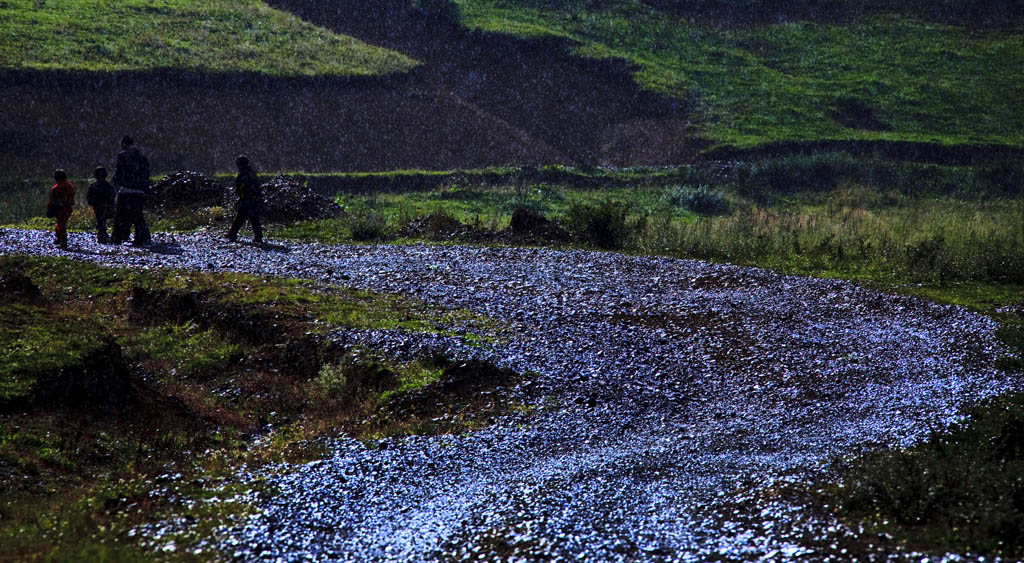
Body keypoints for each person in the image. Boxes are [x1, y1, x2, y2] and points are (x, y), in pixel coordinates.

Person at [110, 135, 151, 246]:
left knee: (120, 215)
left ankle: (117, 236)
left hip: (126, 190)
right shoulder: (141, 156)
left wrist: (118, 182)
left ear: (123, 144)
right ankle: (141, 236)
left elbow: (119, 173)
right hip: (139, 190)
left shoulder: (122, 155)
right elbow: (146, 173)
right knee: (138, 215)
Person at [226, 155, 263, 244]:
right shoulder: (251, 173)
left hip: (247, 200)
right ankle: (258, 237)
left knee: (240, 218)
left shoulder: (244, 175)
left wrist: (242, 197)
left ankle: (232, 234)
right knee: (254, 219)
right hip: (253, 199)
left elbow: (242, 187)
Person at [86, 166, 116, 243]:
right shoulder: (109, 186)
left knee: (101, 220)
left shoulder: (93, 186)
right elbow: (113, 195)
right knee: (105, 220)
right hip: (109, 207)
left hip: (99, 207)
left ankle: (102, 235)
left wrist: (93, 203)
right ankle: (109, 235)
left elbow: (89, 197)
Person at [47, 169, 75, 249]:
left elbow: (52, 200)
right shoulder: (70, 186)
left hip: (60, 209)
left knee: (61, 224)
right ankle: (59, 239)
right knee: (61, 223)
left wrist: (49, 208)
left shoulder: (56, 188)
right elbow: (71, 197)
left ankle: (62, 241)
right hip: (68, 208)